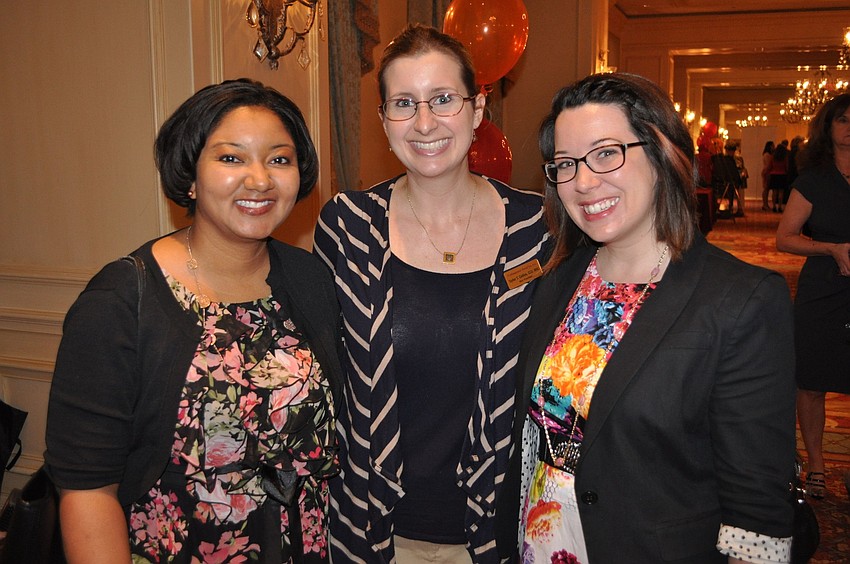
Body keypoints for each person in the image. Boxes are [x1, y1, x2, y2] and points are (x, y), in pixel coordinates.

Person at [495, 73, 797, 563]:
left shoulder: (741, 300)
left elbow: (756, 513)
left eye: (607, 153)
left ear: (661, 153)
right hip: (543, 545)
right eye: (565, 164)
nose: (584, 181)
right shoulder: (558, 282)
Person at [45, 79, 343, 563]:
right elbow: (86, 487)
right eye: (231, 158)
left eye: (279, 159)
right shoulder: (122, 300)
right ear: (190, 173)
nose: (260, 179)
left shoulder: (310, 280)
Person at [313, 24, 548, 564]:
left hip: (499, 528)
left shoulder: (536, 228)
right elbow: (320, 363)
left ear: (477, 107)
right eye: (403, 103)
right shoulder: (348, 227)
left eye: (443, 99)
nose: (424, 123)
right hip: (375, 527)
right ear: (383, 120)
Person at [776, 92, 850, 500]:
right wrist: (832, 248)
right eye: (842, 120)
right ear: (829, 128)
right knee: (813, 380)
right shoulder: (814, 180)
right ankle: (817, 464)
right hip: (823, 288)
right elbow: (784, 238)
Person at [711, 141, 744, 217]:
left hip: (728, 178)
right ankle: (731, 208)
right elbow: (733, 170)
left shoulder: (724, 159)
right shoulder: (728, 159)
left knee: (731, 193)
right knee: (732, 193)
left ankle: (730, 207)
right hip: (730, 179)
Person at [768, 141, 790, 213]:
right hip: (782, 174)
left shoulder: (773, 156)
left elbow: (770, 166)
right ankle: (780, 206)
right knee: (781, 192)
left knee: (774, 192)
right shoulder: (784, 157)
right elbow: (786, 167)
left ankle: (774, 206)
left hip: (774, 174)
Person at [761, 140, 775, 210]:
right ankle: (765, 204)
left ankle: (765, 204)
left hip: (768, 171)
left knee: (766, 188)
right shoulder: (767, 155)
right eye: (772, 145)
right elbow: (768, 165)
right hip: (767, 172)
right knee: (766, 189)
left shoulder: (767, 154)